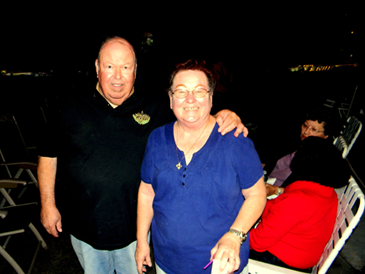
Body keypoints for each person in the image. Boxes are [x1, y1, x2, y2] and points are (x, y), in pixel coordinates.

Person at [37, 37, 247, 274]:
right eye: (109, 67)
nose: (118, 76)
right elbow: (47, 155)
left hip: (135, 229)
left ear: (135, 70)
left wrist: (224, 115)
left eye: (126, 67)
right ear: (97, 68)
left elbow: (192, 116)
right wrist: (48, 204)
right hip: (86, 225)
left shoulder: (155, 105)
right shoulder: (70, 104)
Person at [135, 59, 266, 274]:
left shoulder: (235, 140)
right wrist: (141, 241)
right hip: (166, 263)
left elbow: (257, 194)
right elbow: (147, 192)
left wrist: (235, 236)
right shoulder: (157, 138)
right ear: (170, 99)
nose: (189, 99)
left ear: (211, 98)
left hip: (220, 265)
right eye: (180, 91)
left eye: (199, 91)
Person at [250, 137, 351, 271]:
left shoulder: (296, 201)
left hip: (278, 262)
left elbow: (256, 242)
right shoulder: (328, 194)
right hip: (300, 260)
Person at [266, 106, 343, 197]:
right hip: (266, 181)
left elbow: (306, 191)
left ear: (326, 136)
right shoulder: (295, 143)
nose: (306, 132)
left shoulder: (317, 160)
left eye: (314, 130)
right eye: (305, 126)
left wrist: (277, 190)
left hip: (277, 195)